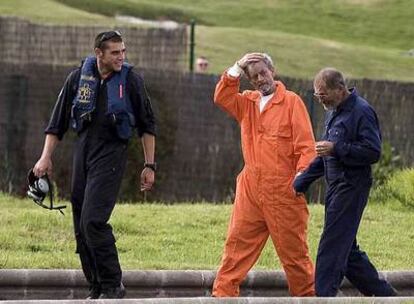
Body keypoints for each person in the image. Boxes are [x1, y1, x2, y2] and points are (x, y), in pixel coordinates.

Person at [33, 30, 157, 299]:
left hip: (112, 154)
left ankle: (113, 284)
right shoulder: (77, 78)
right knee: (80, 225)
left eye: (123, 51)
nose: (121, 57)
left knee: (93, 221)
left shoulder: (132, 80)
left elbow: (148, 126)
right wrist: (45, 157)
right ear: (99, 54)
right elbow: (56, 124)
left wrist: (150, 165)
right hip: (83, 152)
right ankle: (96, 287)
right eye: (115, 52)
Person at [212, 53, 316, 297]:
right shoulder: (247, 102)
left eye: (263, 73)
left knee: (295, 257)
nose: (260, 79)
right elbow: (221, 96)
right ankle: (222, 297)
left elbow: (306, 148)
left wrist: (299, 180)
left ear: (273, 71)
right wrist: (237, 66)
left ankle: (307, 299)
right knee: (235, 250)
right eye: (254, 76)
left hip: (283, 190)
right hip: (250, 190)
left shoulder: (291, 102)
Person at [293, 67, 397, 297]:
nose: (319, 99)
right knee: (348, 253)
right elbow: (325, 155)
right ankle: (387, 298)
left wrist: (337, 148)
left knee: (331, 245)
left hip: (352, 187)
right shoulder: (334, 111)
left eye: (322, 94)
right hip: (336, 188)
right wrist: (301, 183)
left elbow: (373, 152)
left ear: (340, 89)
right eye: (316, 95)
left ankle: (323, 298)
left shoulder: (362, 111)